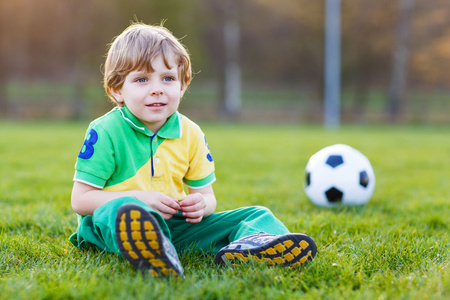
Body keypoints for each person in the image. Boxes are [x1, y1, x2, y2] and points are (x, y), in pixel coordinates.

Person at [69, 22, 317, 277]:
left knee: (256, 214)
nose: (157, 88)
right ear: (117, 90)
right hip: (109, 228)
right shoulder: (107, 130)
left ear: (182, 86)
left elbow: (207, 197)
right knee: (120, 211)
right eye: (142, 79)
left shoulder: (191, 133)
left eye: (168, 78)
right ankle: (148, 246)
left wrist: (201, 204)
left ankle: (257, 245)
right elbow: (80, 200)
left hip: (174, 226)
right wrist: (139, 199)